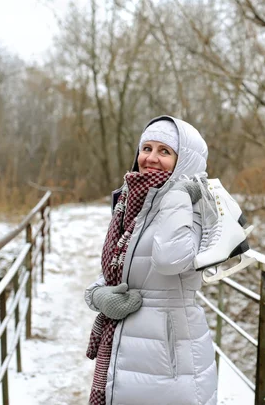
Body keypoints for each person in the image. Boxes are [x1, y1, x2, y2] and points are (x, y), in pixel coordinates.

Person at [84, 116, 217, 405]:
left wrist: (179, 197)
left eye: (165, 151)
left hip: (169, 362)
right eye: (146, 148)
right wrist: (97, 295)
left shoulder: (194, 206)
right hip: (125, 351)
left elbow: (170, 260)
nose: (151, 158)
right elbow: (120, 272)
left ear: (184, 161)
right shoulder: (132, 204)